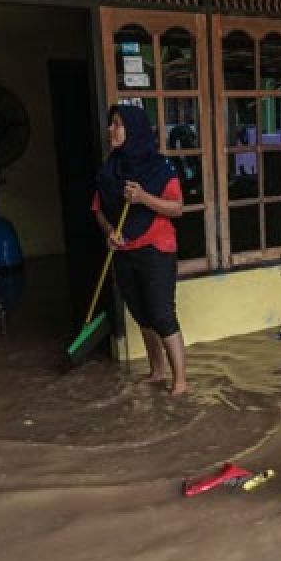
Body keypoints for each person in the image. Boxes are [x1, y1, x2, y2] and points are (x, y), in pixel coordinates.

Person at [93, 105, 188, 396]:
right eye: (111, 124)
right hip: (124, 250)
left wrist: (144, 197)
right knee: (141, 314)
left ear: (133, 131)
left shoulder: (159, 168)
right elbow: (97, 208)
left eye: (118, 125)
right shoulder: (110, 169)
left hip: (156, 247)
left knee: (161, 313)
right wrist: (109, 231)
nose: (111, 129)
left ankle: (181, 381)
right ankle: (157, 371)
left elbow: (177, 208)